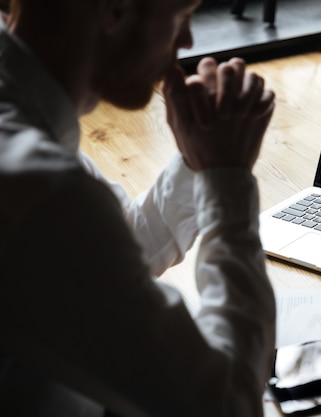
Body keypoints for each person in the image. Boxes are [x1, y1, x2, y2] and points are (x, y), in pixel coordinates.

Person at [0, 0, 277, 416]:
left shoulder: (22, 123)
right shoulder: (43, 188)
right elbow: (227, 404)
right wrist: (228, 180)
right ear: (113, 10)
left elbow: (103, 257)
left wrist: (197, 158)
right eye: (181, 16)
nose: (187, 40)